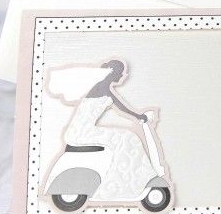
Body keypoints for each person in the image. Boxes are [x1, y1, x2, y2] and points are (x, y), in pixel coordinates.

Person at [53, 59, 158, 200]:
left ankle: (125, 177)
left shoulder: (99, 87)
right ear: (114, 73)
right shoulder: (104, 90)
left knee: (126, 137)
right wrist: (140, 117)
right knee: (128, 137)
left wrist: (139, 116)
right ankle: (126, 181)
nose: (123, 75)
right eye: (122, 72)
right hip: (84, 133)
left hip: (79, 130)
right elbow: (123, 108)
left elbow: (122, 108)